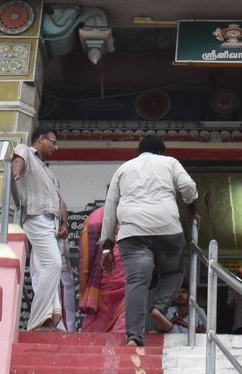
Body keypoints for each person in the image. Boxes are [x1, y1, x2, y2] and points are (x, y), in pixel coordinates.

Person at [99, 133, 199, 348]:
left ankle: (134, 337)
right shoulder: (170, 162)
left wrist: (107, 248)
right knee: (173, 272)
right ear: (162, 151)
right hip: (167, 230)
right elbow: (189, 188)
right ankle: (160, 307)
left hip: (132, 233)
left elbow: (110, 208)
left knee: (137, 282)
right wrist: (192, 212)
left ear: (138, 152)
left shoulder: (124, 169)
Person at [11, 127, 68, 331]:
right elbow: (18, 161)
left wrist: (64, 223)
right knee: (54, 264)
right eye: (53, 142)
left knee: (44, 269)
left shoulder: (50, 173)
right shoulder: (25, 150)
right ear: (41, 139)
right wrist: (16, 174)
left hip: (51, 224)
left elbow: (61, 202)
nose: (56, 147)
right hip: (36, 217)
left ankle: (51, 316)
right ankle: (36, 320)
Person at [79, 205, 126, 333]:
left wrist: (86, 288)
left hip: (101, 282)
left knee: (96, 327)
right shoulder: (134, 209)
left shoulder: (95, 217)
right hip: (120, 281)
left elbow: (86, 261)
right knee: (123, 325)